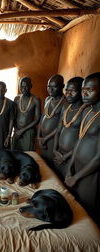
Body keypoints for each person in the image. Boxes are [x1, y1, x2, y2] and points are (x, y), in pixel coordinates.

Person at [65, 72, 100, 227]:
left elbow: (99, 157)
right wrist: (70, 168)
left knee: (88, 214)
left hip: (90, 172)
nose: (84, 93)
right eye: (83, 89)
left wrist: (77, 177)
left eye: (90, 90)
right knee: (75, 208)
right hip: (76, 167)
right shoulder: (87, 110)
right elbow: (79, 141)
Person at [53, 77, 86, 179]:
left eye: (73, 91)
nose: (68, 94)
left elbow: (82, 141)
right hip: (58, 154)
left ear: (81, 91)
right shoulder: (65, 107)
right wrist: (54, 150)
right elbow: (58, 131)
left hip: (71, 157)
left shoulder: (85, 111)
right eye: (67, 90)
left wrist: (65, 157)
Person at [37, 74, 66, 168]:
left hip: (53, 139)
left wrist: (45, 139)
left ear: (62, 86)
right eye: (49, 86)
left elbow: (60, 126)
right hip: (42, 138)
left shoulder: (65, 102)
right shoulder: (48, 99)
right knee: (43, 163)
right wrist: (39, 136)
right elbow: (42, 118)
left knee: (51, 166)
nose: (50, 89)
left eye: (54, 87)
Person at [12, 77, 41, 151]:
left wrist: (22, 130)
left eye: (26, 86)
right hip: (17, 130)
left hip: (29, 131)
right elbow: (13, 116)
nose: (23, 88)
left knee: (28, 154)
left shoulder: (35, 100)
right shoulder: (16, 99)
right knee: (15, 153)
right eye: (21, 86)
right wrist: (16, 129)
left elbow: (37, 119)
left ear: (31, 86)